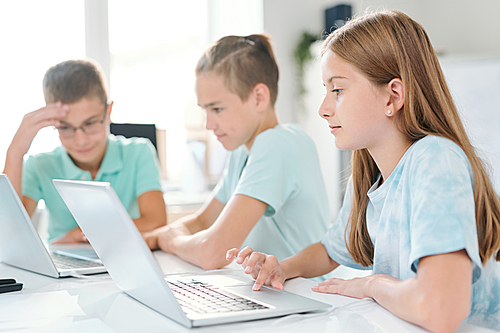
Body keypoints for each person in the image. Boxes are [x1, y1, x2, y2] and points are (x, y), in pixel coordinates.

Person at [227, 10, 500, 333]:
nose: (323, 108)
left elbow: (441, 309)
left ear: (393, 95)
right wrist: (282, 268)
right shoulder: (373, 173)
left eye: (338, 90)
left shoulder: (435, 160)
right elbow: (330, 250)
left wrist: (372, 285)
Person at [144, 34, 330, 271]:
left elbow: (214, 252)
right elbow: (203, 221)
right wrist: (152, 237)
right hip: (270, 291)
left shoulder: (277, 144)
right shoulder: (242, 152)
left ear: (259, 98)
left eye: (217, 109)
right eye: (205, 110)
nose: (208, 124)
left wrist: (169, 241)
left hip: (303, 294)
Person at [3, 59, 167, 243]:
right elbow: (8, 234)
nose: (80, 141)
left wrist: (79, 234)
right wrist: (15, 153)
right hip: (63, 266)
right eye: (65, 128)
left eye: (89, 123)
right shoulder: (40, 165)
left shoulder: (138, 153)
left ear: (108, 111)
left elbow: (155, 222)